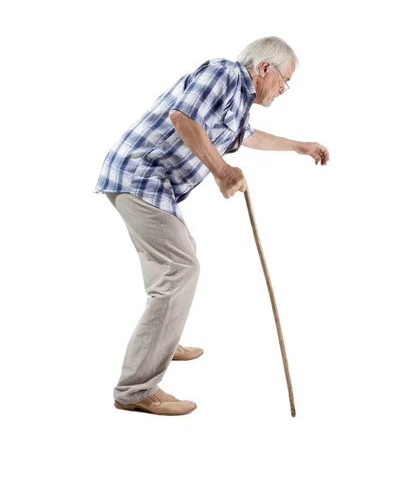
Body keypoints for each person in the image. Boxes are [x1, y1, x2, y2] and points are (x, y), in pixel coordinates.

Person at [93, 36, 329, 416]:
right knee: (180, 268)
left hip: (155, 184)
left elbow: (248, 137)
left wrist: (298, 146)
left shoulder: (238, 102)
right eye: (284, 81)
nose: (284, 90)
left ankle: (161, 341)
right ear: (265, 68)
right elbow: (181, 118)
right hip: (138, 174)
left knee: (180, 258)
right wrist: (221, 171)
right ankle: (135, 389)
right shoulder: (224, 73)